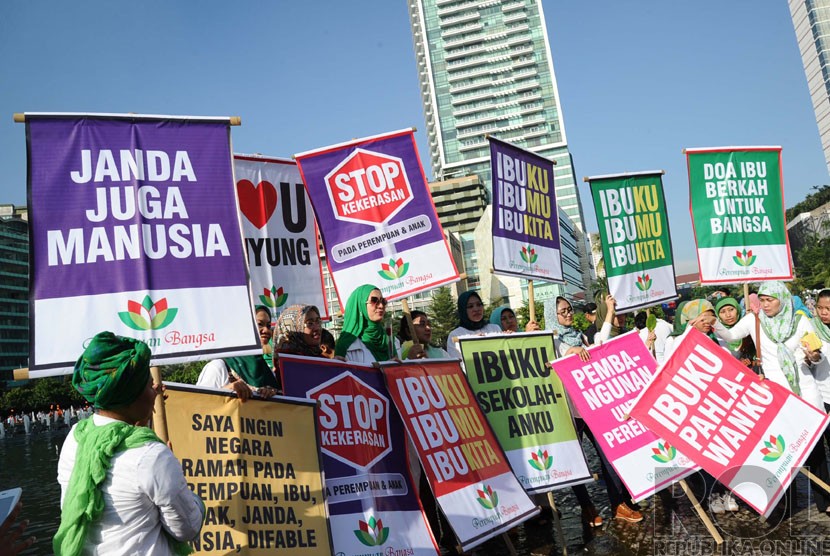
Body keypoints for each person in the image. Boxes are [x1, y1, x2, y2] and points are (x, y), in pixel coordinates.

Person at [55, 332, 204, 555]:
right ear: (131, 395)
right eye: (148, 385)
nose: (154, 391)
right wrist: (190, 494)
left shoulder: (76, 436)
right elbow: (187, 528)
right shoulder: (151, 455)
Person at [713, 282, 830, 514]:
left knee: (814, 449)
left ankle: (825, 500)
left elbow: (816, 357)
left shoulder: (800, 321)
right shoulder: (753, 320)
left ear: (782, 298)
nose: (765, 305)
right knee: (782, 450)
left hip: (805, 392)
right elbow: (731, 334)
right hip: (776, 397)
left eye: (770, 300)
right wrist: (713, 323)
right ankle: (786, 504)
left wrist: (814, 355)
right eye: (762, 300)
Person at [549, 295, 643, 524]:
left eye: (570, 309)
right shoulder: (549, 339)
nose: (569, 314)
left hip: (589, 409)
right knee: (575, 462)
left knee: (608, 455)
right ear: (552, 316)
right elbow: (561, 353)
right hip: (567, 412)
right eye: (563, 311)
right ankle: (587, 507)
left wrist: (609, 309)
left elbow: (600, 342)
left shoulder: (579, 336)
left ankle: (618, 503)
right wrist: (571, 352)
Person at [197, 306, 280, 399]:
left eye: (268, 326)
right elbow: (199, 404)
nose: (266, 330)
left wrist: (273, 395)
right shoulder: (219, 368)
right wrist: (228, 390)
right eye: (260, 324)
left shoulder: (269, 373)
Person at [335, 284, 394, 363]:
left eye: (383, 301)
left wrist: (409, 358)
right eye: (374, 300)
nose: (381, 306)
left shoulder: (391, 340)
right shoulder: (346, 347)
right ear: (360, 306)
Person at [445, 291, 501, 359]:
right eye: (470, 306)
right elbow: (457, 364)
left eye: (479, 304)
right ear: (463, 310)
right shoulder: (455, 335)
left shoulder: (495, 329)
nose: (476, 309)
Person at [714, 297, 755, 366]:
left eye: (731, 310)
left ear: (738, 309)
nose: (728, 315)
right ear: (718, 315)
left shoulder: (749, 329)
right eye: (723, 312)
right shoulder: (716, 336)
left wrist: (751, 361)